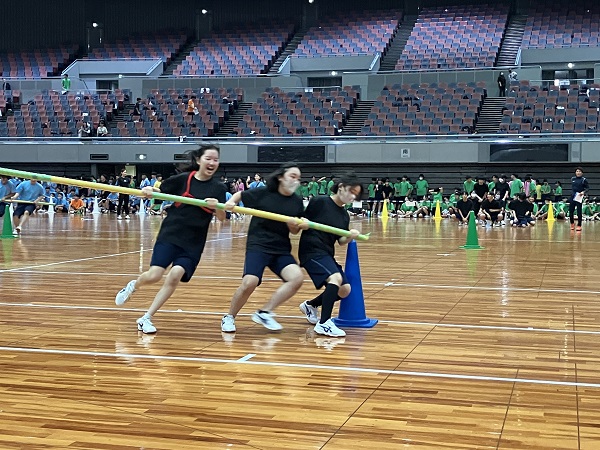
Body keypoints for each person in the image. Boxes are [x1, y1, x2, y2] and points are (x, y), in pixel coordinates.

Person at [115, 145, 227, 333]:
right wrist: (149, 189)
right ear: (199, 160)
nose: (212, 163)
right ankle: (134, 285)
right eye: (208, 158)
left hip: (193, 242)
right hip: (171, 234)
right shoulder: (183, 180)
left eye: (216, 160)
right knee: (154, 275)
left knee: (175, 275)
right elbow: (159, 191)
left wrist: (218, 207)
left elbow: (223, 218)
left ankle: (146, 317)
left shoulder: (218, 188)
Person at [221, 163, 307, 333]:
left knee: (296, 278)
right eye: (292, 176)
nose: (295, 181)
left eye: (298, 178)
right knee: (250, 282)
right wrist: (230, 202)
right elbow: (239, 194)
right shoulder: (264, 193)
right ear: (281, 177)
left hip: (280, 248)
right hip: (258, 244)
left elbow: (294, 231)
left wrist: (296, 225)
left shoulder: (297, 202)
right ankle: (229, 316)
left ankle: (264, 312)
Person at [298, 173, 362, 337]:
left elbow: (340, 241)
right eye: (351, 191)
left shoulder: (344, 214)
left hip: (326, 253)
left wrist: (350, 235)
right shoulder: (320, 201)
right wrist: (302, 223)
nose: (353, 196)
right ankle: (324, 323)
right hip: (311, 251)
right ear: (341, 187)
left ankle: (310, 305)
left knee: (345, 289)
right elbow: (301, 220)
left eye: (356, 194)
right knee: (335, 279)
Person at [569, 167, 589, 232]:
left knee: (579, 211)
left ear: (582, 173)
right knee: (571, 211)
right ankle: (572, 223)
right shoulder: (572, 179)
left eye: (580, 171)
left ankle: (579, 225)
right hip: (573, 196)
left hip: (579, 196)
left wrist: (583, 192)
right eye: (577, 171)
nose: (578, 172)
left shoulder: (584, 180)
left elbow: (587, 188)